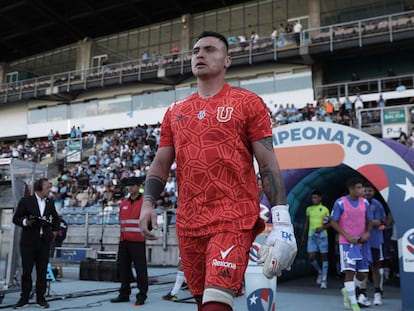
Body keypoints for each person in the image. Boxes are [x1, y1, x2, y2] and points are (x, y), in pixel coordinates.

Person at [139, 31, 297, 311]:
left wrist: (282, 221)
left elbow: (267, 162)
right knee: (203, 302)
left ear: (227, 60)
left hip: (233, 218)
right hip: (189, 223)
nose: (200, 54)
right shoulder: (175, 111)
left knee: (216, 300)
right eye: (196, 50)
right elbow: (161, 163)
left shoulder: (248, 102)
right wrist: (147, 203)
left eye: (210, 49)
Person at [12, 178, 60, 309]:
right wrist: (26, 222)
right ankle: (24, 298)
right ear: (39, 188)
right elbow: (16, 218)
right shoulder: (26, 201)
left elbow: (56, 218)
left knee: (42, 270)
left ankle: (41, 298)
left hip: (44, 241)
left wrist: (55, 231)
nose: (49, 189)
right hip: (28, 241)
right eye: (47, 187)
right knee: (26, 271)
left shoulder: (50, 202)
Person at [330, 178, 373, 311]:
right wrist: (346, 235)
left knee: (362, 275)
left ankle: (346, 290)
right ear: (351, 189)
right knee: (349, 272)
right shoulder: (340, 202)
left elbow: (370, 220)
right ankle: (354, 303)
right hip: (347, 244)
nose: (362, 190)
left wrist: (368, 233)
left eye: (362, 187)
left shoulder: (364, 202)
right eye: (359, 188)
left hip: (362, 244)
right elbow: (333, 221)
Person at [110, 176, 148, 306]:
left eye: (133, 185)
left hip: (138, 241)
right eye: (129, 185)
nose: (130, 187)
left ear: (138, 186)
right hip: (124, 241)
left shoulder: (144, 203)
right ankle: (124, 294)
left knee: (140, 270)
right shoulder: (123, 204)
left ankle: (142, 295)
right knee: (123, 268)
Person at [360, 182, 386, 306]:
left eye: (369, 191)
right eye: (365, 191)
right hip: (362, 241)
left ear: (374, 192)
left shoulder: (378, 205)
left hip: (375, 241)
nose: (367, 193)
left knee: (375, 267)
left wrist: (369, 222)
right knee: (362, 267)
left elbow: (382, 221)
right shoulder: (358, 204)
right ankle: (362, 293)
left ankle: (377, 293)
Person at [301, 189, 330, 289]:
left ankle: (324, 280)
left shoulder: (325, 209)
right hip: (311, 235)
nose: (314, 199)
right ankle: (320, 272)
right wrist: (303, 236)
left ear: (320, 198)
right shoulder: (309, 209)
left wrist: (322, 228)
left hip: (322, 235)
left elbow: (329, 223)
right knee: (311, 257)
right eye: (313, 198)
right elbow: (306, 223)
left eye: (316, 198)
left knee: (324, 257)